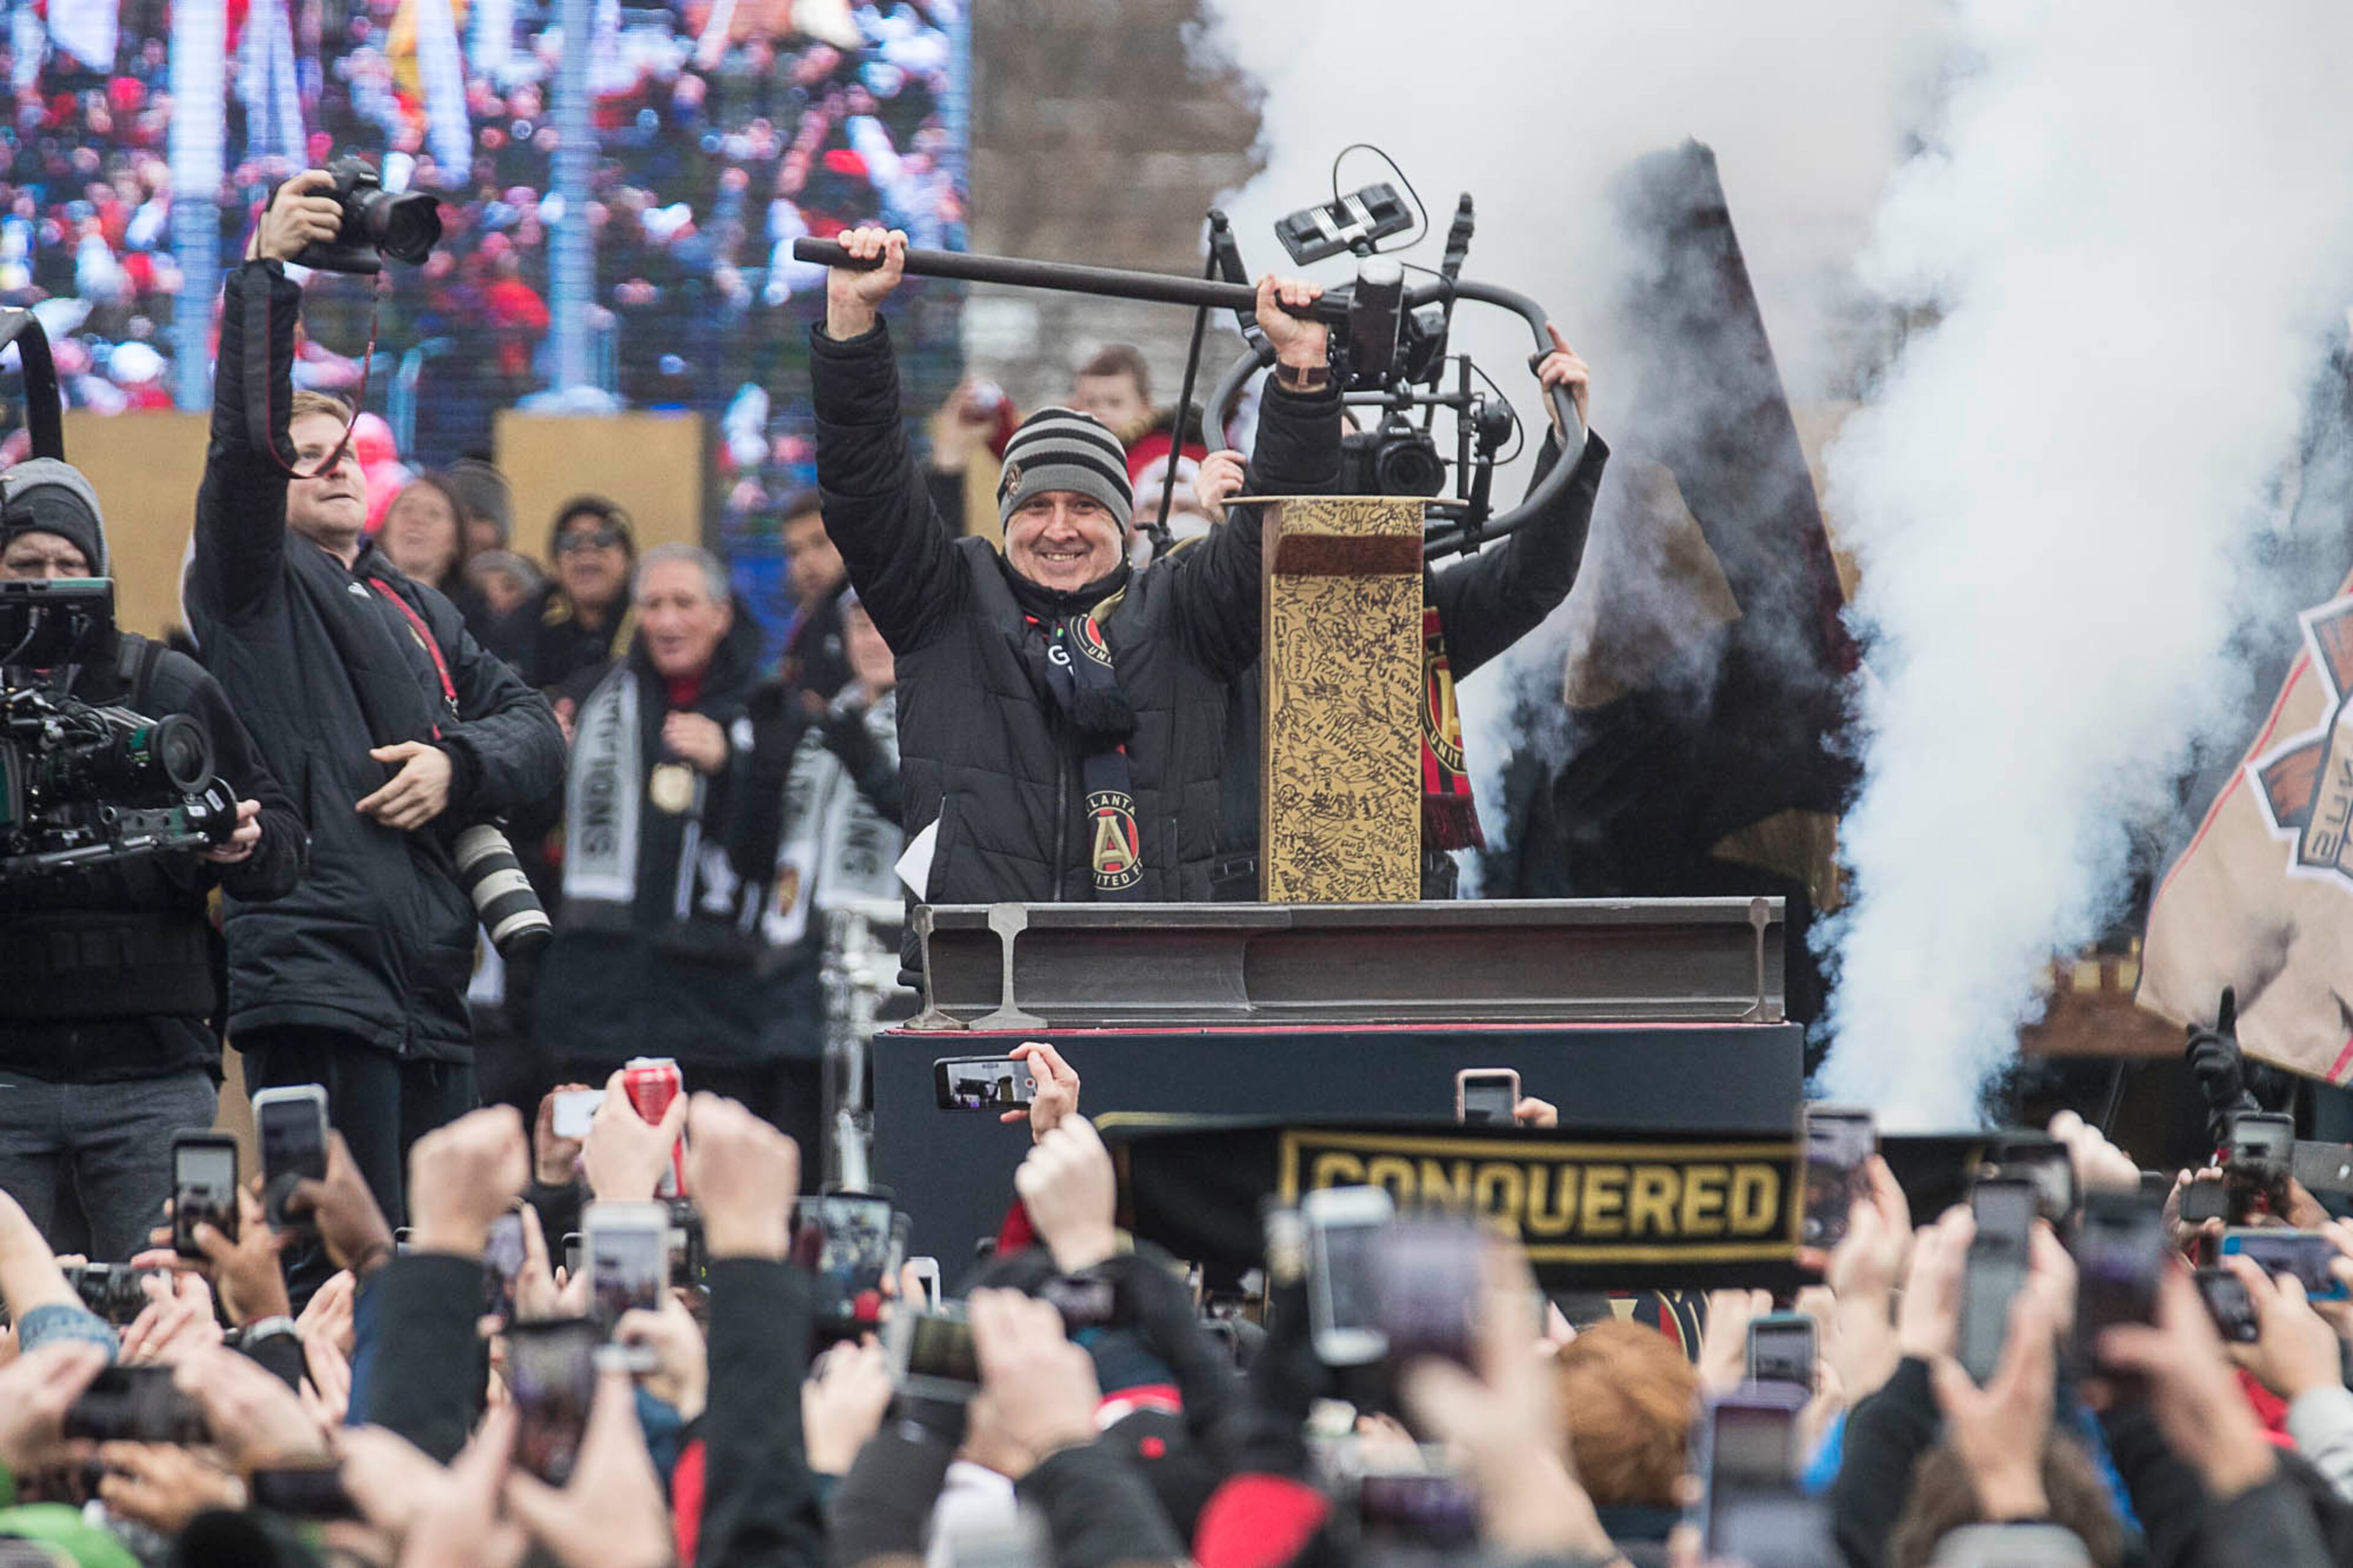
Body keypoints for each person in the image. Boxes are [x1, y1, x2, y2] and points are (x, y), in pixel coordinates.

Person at [180, 169, 566, 1278]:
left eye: (351, 445)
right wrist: (266, 276)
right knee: (325, 1269)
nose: (338, 458)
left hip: (432, 994)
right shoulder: (246, 586)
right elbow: (242, 454)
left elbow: (536, 731)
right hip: (313, 979)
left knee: (436, 1269)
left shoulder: (415, 602)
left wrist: (458, 766)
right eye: (311, 451)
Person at [813, 225, 1338, 925]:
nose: (1059, 528)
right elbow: (866, 490)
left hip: (1153, 983)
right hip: (979, 979)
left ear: (1124, 521)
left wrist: (1301, 372)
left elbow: (1282, 525)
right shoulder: (945, 601)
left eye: (1085, 506)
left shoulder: (1185, 609)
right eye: (1036, 507)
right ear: (1006, 519)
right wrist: (852, 326)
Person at [0, 463, 304, 1262]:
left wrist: (243, 840)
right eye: (25, 566)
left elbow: (281, 839)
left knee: (173, 1304)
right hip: (8, 1075)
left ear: (101, 569)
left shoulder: (165, 685)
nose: (49, 586)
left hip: (153, 1072)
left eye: (69, 566)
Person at [1193, 321, 1607, 898]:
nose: (1330, 490)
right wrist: (1227, 531)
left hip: (1395, 905)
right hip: (1256, 903)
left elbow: (1529, 579)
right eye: (1307, 466)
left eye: (1345, 464)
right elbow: (1184, 620)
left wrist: (1569, 438)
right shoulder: (1212, 602)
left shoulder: (1410, 603)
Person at [536, 545, 781, 1122]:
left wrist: (732, 770)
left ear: (721, 614)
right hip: (596, 1007)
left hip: (717, 1016)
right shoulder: (589, 697)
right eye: (652, 605)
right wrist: (546, 759)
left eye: (684, 603)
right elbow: (533, 831)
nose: (667, 622)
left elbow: (777, 858)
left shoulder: (769, 708)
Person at [746, 586, 907, 1166]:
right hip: (798, 980)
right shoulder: (823, 724)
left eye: (886, 626)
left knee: (869, 1164)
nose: (873, 641)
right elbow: (765, 850)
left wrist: (867, 761)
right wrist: (758, 768)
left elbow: (935, 828)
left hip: (889, 983)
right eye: (862, 626)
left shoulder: (939, 720)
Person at [499, 496, 638, 691]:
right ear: (556, 563)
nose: (587, 549)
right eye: (570, 541)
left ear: (628, 559)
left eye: (604, 538)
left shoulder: (649, 619)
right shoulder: (529, 623)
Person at [377, 472, 501, 643]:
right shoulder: (357, 598)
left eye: (434, 514)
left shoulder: (475, 616)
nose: (416, 520)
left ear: (456, 541)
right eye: (406, 509)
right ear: (385, 531)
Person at [1069, 343, 1155, 435]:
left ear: (1145, 407)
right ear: (1076, 407)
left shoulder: (1162, 448)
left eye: (1115, 403)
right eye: (1091, 403)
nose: (1101, 412)